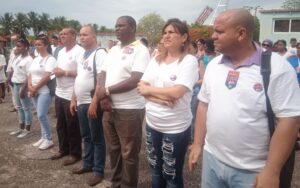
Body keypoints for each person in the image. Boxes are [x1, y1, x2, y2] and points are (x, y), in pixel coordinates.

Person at [188, 9, 300, 188]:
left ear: (241, 33)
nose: (213, 36)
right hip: (212, 160)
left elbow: (289, 121)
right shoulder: (215, 65)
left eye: (219, 31)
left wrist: (272, 170)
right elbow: (204, 104)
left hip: (253, 170)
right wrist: (198, 143)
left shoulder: (277, 68)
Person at [137, 18, 198, 187]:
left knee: (171, 174)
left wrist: (151, 91)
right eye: (165, 32)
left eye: (172, 32)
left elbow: (177, 92)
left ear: (184, 37)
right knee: (156, 170)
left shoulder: (189, 61)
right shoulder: (156, 59)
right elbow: (142, 88)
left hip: (175, 128)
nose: (166, 36)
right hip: (152, 124)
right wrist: (164, 98)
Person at [91, 15, 150, 188]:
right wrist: (103, 96)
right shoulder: (114, 49)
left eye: (121, 26)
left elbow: (135, 80)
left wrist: (106, 91)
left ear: (132, 27)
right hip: (109, 107)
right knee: (114, 150)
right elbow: (102, 72)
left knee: (129, 153)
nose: (117, 28)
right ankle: (116, 183)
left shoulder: (141, 50)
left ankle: (128, 185)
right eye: (116, 26)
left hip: (129, 110)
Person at [70, 25, 107, 186]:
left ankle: (98, 171)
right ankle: (87, 164)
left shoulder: (100, 54)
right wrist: (73, 99)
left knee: (97, 138)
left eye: (85, 34)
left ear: (94, 36)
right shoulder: (83, 55)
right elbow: (78, 78)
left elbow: (101, 80)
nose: (81, 37)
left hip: (92, 102)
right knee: (86, 136)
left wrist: (94, 102)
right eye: (80, 35)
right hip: (81, 102)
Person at [50, 28, 84, 166]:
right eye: (61, 34)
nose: (62, 36)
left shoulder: (79, 51)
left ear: (73, 36)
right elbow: (58, 69)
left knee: (73, 125)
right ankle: (63, 149)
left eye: (65, 34)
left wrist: (64, 72)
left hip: (71, 93)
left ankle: (75, 153)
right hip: (59, 92)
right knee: (60, 124)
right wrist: (56, 72)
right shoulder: (60, 51)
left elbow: (82, 72)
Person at [28, 35, 56, 150]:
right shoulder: (36, 58)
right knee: (40, 116)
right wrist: (30, 87)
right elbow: (29, 74)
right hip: (34, 90)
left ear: (46, 46)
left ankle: (49, 139)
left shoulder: (50, 59)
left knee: (41, 114)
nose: (37, 47)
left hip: (44, 91)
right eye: (35, 45)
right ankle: (43, 137)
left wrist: (34, 88)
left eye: (39, 44)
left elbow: (47, 77)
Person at [8, 38, 33, 138]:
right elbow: (14, 69)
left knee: (26, 108)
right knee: (19, 108)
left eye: (19, 46)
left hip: (23, 86)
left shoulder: (29, 60)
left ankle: (27, 130)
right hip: (16, 84)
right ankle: (21, 128)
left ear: (26, 47)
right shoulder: (18, 58)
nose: (16, 48)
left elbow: (29, 75)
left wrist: (23, 89)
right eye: (16, 46)